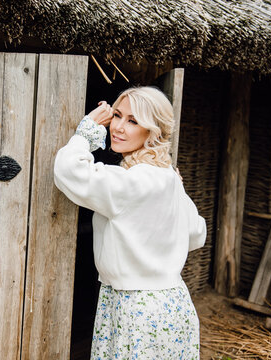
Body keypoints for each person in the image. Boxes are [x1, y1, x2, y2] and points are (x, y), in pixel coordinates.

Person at [53, 86, 206, 359]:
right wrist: (180, 191)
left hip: (136, 310)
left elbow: (68, 171)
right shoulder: (167, 178)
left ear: (152, 131)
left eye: (133, 121)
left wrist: (87, 130)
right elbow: (196, 234)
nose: (118, 127)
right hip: (173, 305)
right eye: (118, 116)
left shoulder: (133, 181)